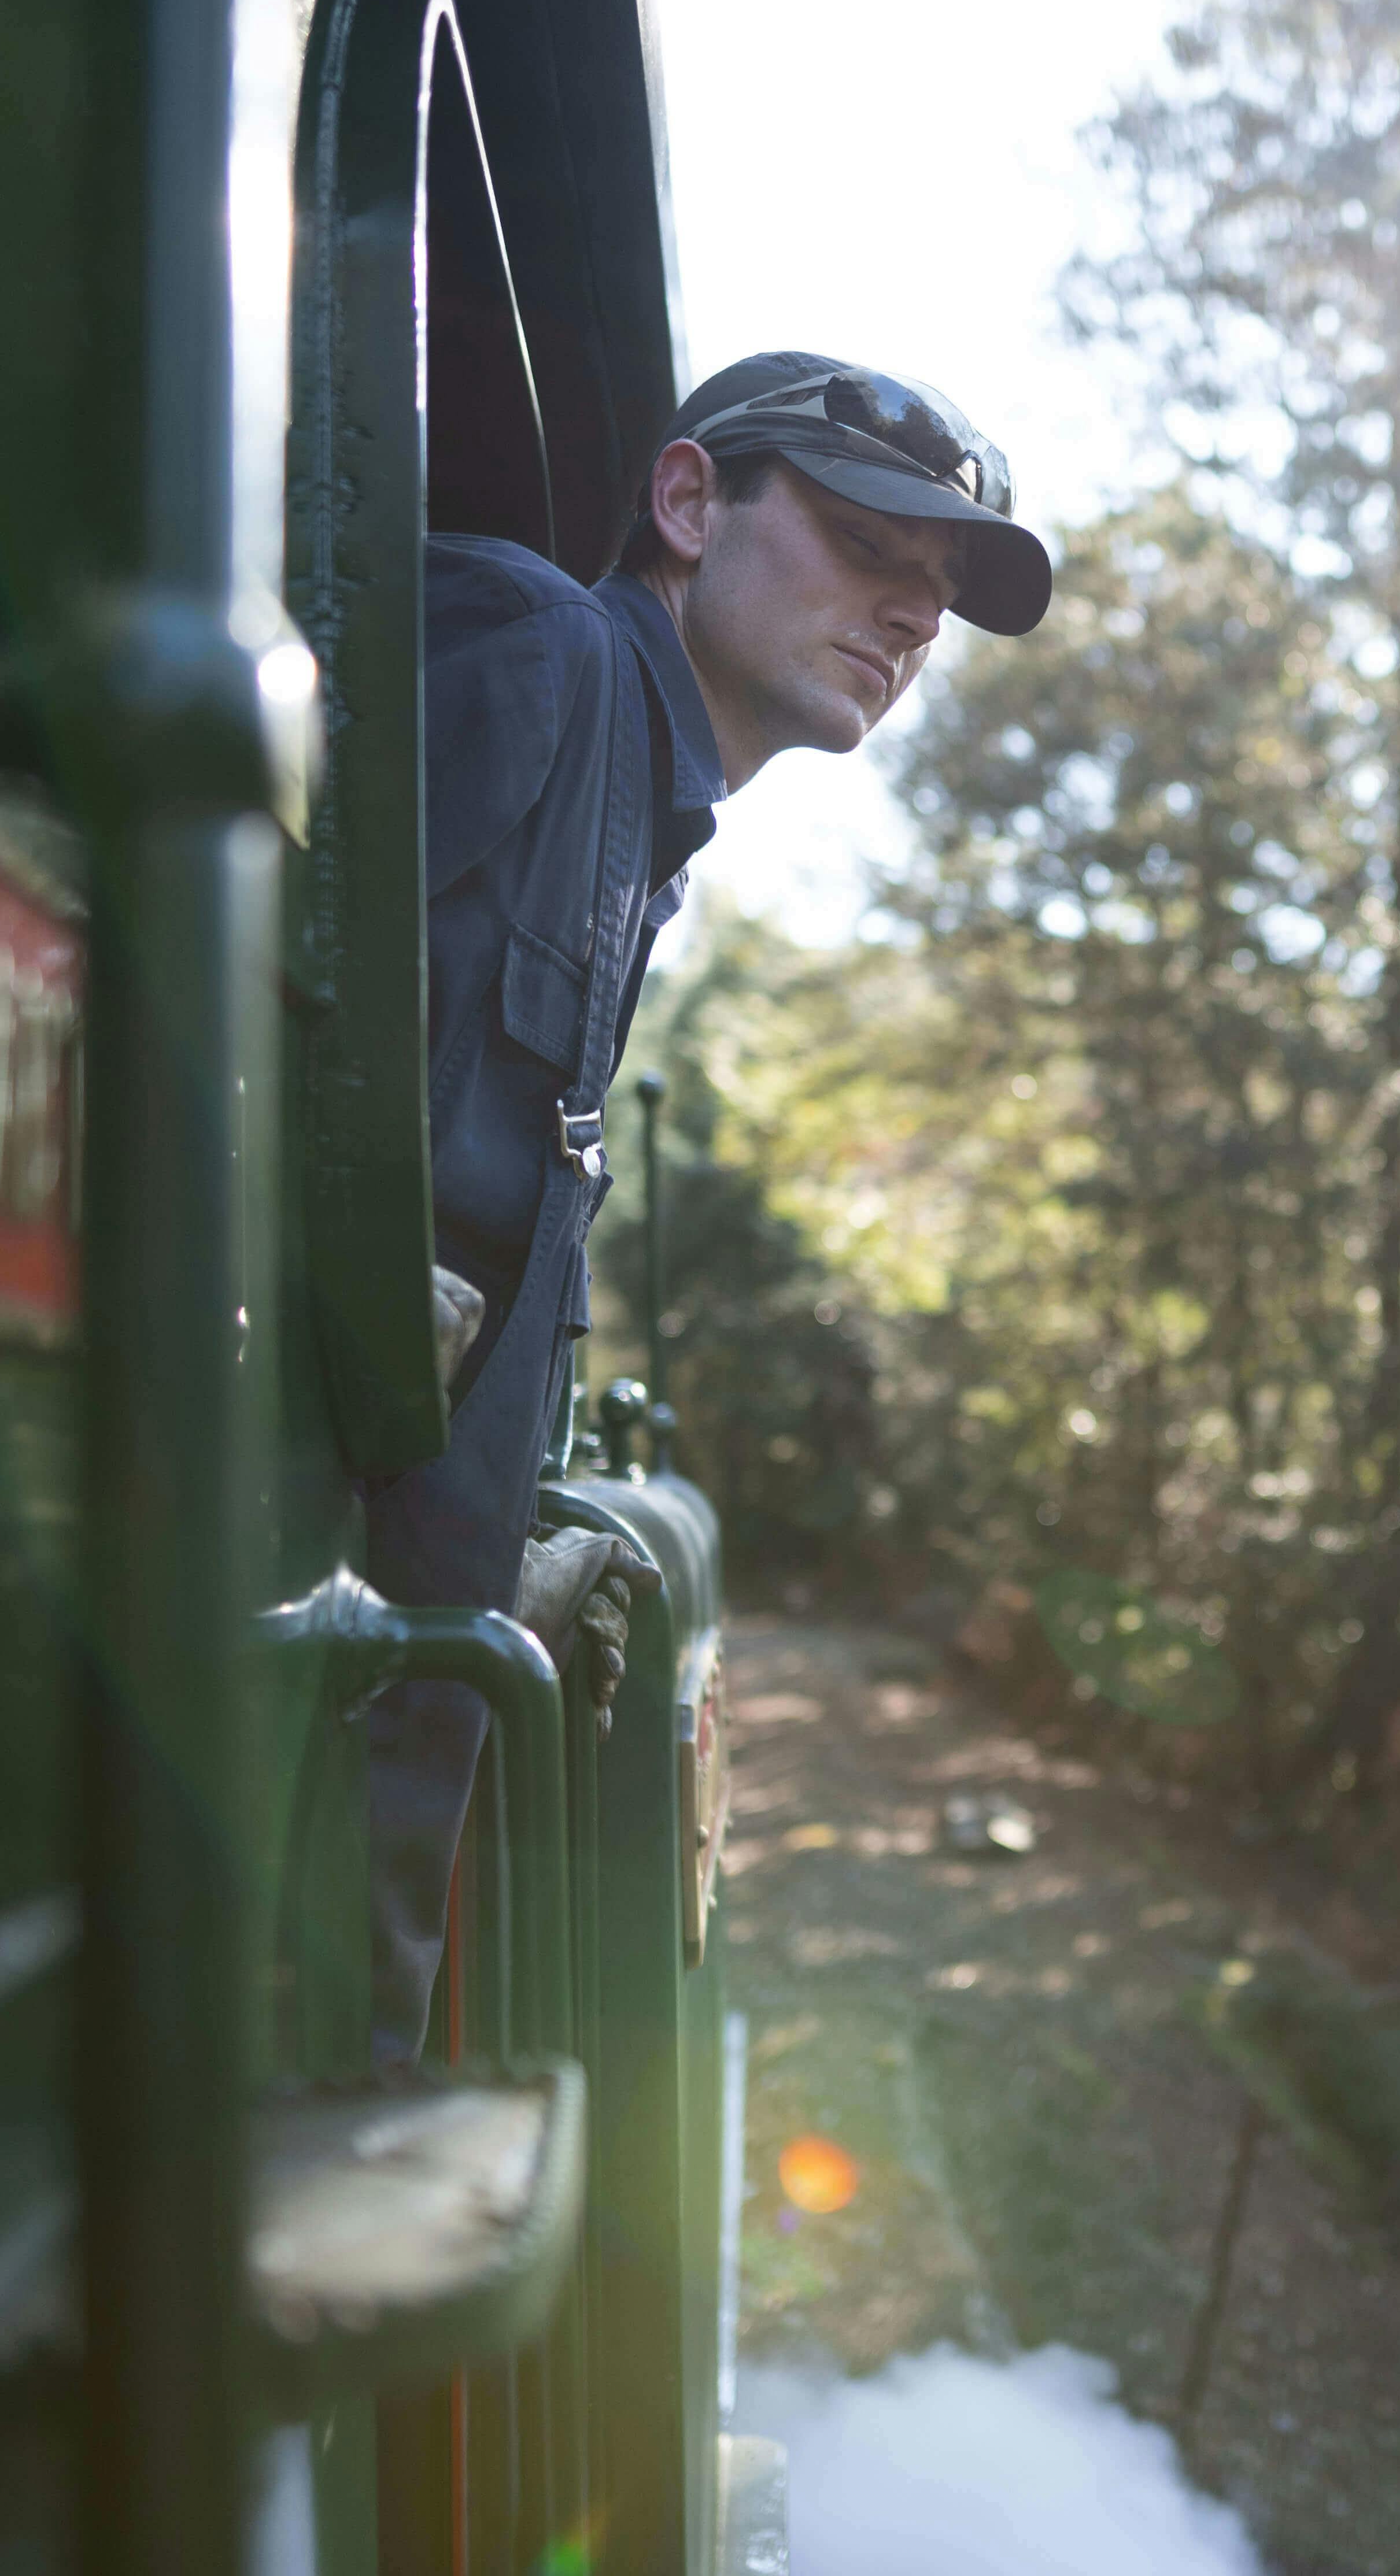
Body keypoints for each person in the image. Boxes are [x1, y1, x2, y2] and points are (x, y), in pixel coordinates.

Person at [360, 353, 1051, 2058]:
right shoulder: (537, 652)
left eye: (941, 594)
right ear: (688, 505)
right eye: (870, 543)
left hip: (381, 1709)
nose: (910, 619)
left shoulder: (641, 825)